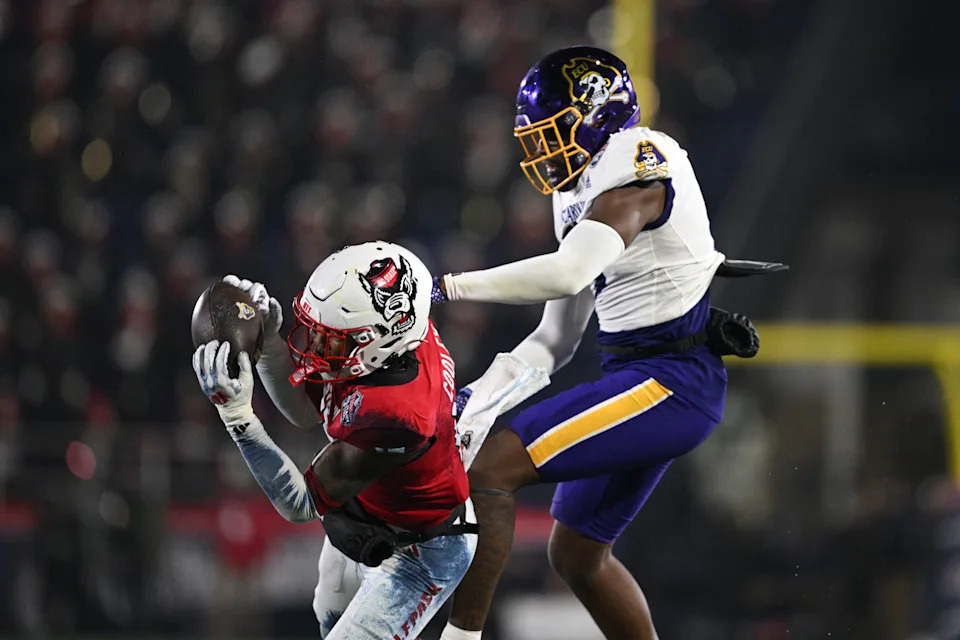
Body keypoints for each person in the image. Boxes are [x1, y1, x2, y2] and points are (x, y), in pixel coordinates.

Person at [433, 46, 769, 640]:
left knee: (491, 473)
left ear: (595, 115)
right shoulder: (580, 187)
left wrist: (447, 287)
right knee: (577, 556)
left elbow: (566, 274)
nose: (541, 151)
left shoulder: (638, 167)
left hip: (670, 382)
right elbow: (555, 340)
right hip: (642, 377)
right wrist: (480, 397)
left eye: (552, 132)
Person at [192, 241, 477, 640]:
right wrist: (270, 343)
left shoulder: (395, 414)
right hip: (372, 510)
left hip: (421, 548)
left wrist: (238, 416)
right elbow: (307, 412)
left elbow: (300, 504)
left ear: (378, 342)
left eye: (335, 338)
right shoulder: (399, 333)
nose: (318, 345)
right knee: (327, 617)